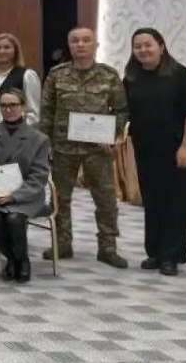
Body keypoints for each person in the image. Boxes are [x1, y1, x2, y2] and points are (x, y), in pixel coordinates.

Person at [39, 27, 129, 268]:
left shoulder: (109, 75)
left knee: (106, 199)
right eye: (75, 41)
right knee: (60, 198)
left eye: (86, 40)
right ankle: (62, 243)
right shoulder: (56, 74)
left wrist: (113, 136)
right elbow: (46, 111)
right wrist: (44, 143)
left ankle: (107, 247)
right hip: (63, 146)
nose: (80, 44)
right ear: (69, 45)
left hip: (97, 149)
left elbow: (121, 111)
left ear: (95, 45)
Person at [122, 28, 186, 276]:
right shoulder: (131, 78)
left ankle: (171, 256)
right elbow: (123, 112)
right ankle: (155, 253)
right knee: (153, 201)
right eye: (137, 46)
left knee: (175, 203)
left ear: (161, 45)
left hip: (176, 148)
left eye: (148, 45)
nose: (143, 50)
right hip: (145, 149)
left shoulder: (180, 75)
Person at [0, 89, 51, 283]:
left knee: (15, 218)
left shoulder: (39, 139)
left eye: (13, 105)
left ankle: (21, 261)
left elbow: (39, 175)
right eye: (4, 105)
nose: (8, 109)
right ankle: (14, 258)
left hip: (25, 194)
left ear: (23, 107)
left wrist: (14, 196)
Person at [0, 33, 42, 126]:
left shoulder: (27, 75)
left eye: (7, 47)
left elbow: (33, 113)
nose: (2, 51)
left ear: (15, 51)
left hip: (16, 133)